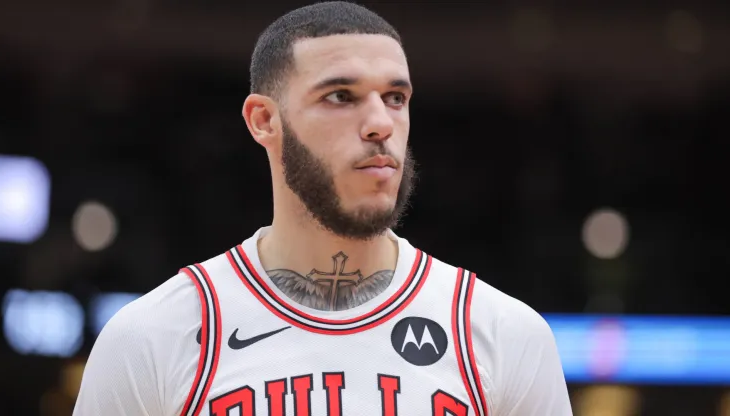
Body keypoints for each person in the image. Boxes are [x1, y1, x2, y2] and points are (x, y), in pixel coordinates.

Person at [73, 2, 572, 415]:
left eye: (395, 97)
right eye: (341, 95)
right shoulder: (151, 339)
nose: (380, 123)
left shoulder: (504, 334)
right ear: (264, 120)